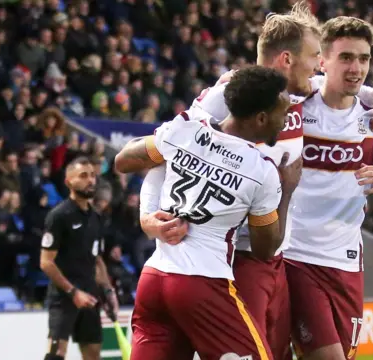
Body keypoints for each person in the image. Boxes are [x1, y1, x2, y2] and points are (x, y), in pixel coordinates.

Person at [114, 3, 373, 360]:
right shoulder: (229, 94)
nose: (318, 68)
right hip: (235, 257)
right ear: (286, 59)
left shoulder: (295, 96)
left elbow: (340, 81)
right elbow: (166, 153)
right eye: (314, 57)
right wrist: (147, 216)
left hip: (274, 258)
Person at [117, 66, 302, 360]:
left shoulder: (187, 126)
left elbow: (124, 160)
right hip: (202, 283)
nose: (286, 121)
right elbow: (266, 249)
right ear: (262, 118)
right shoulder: (261, 170)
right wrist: (287, 190)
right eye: (283, 113)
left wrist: (148, 216)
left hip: (154, 279)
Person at [284, 17, 373, 360]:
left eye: (364, 58)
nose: (356, 68)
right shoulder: (295, 102)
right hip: (295, 255)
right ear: (322, 61)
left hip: (346, 265)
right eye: (346, 58)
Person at [40, 156, 118, 360]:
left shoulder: (96, 217)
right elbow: (46, 262)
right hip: (64, 297)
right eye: (83, 176)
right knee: (56, 354)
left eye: (93, 175)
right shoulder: (59, 216)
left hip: (90, 296)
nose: (91, 180)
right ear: (69, 182)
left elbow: (97, 259)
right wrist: (73, 292)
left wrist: (109, 291)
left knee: (93, 355)